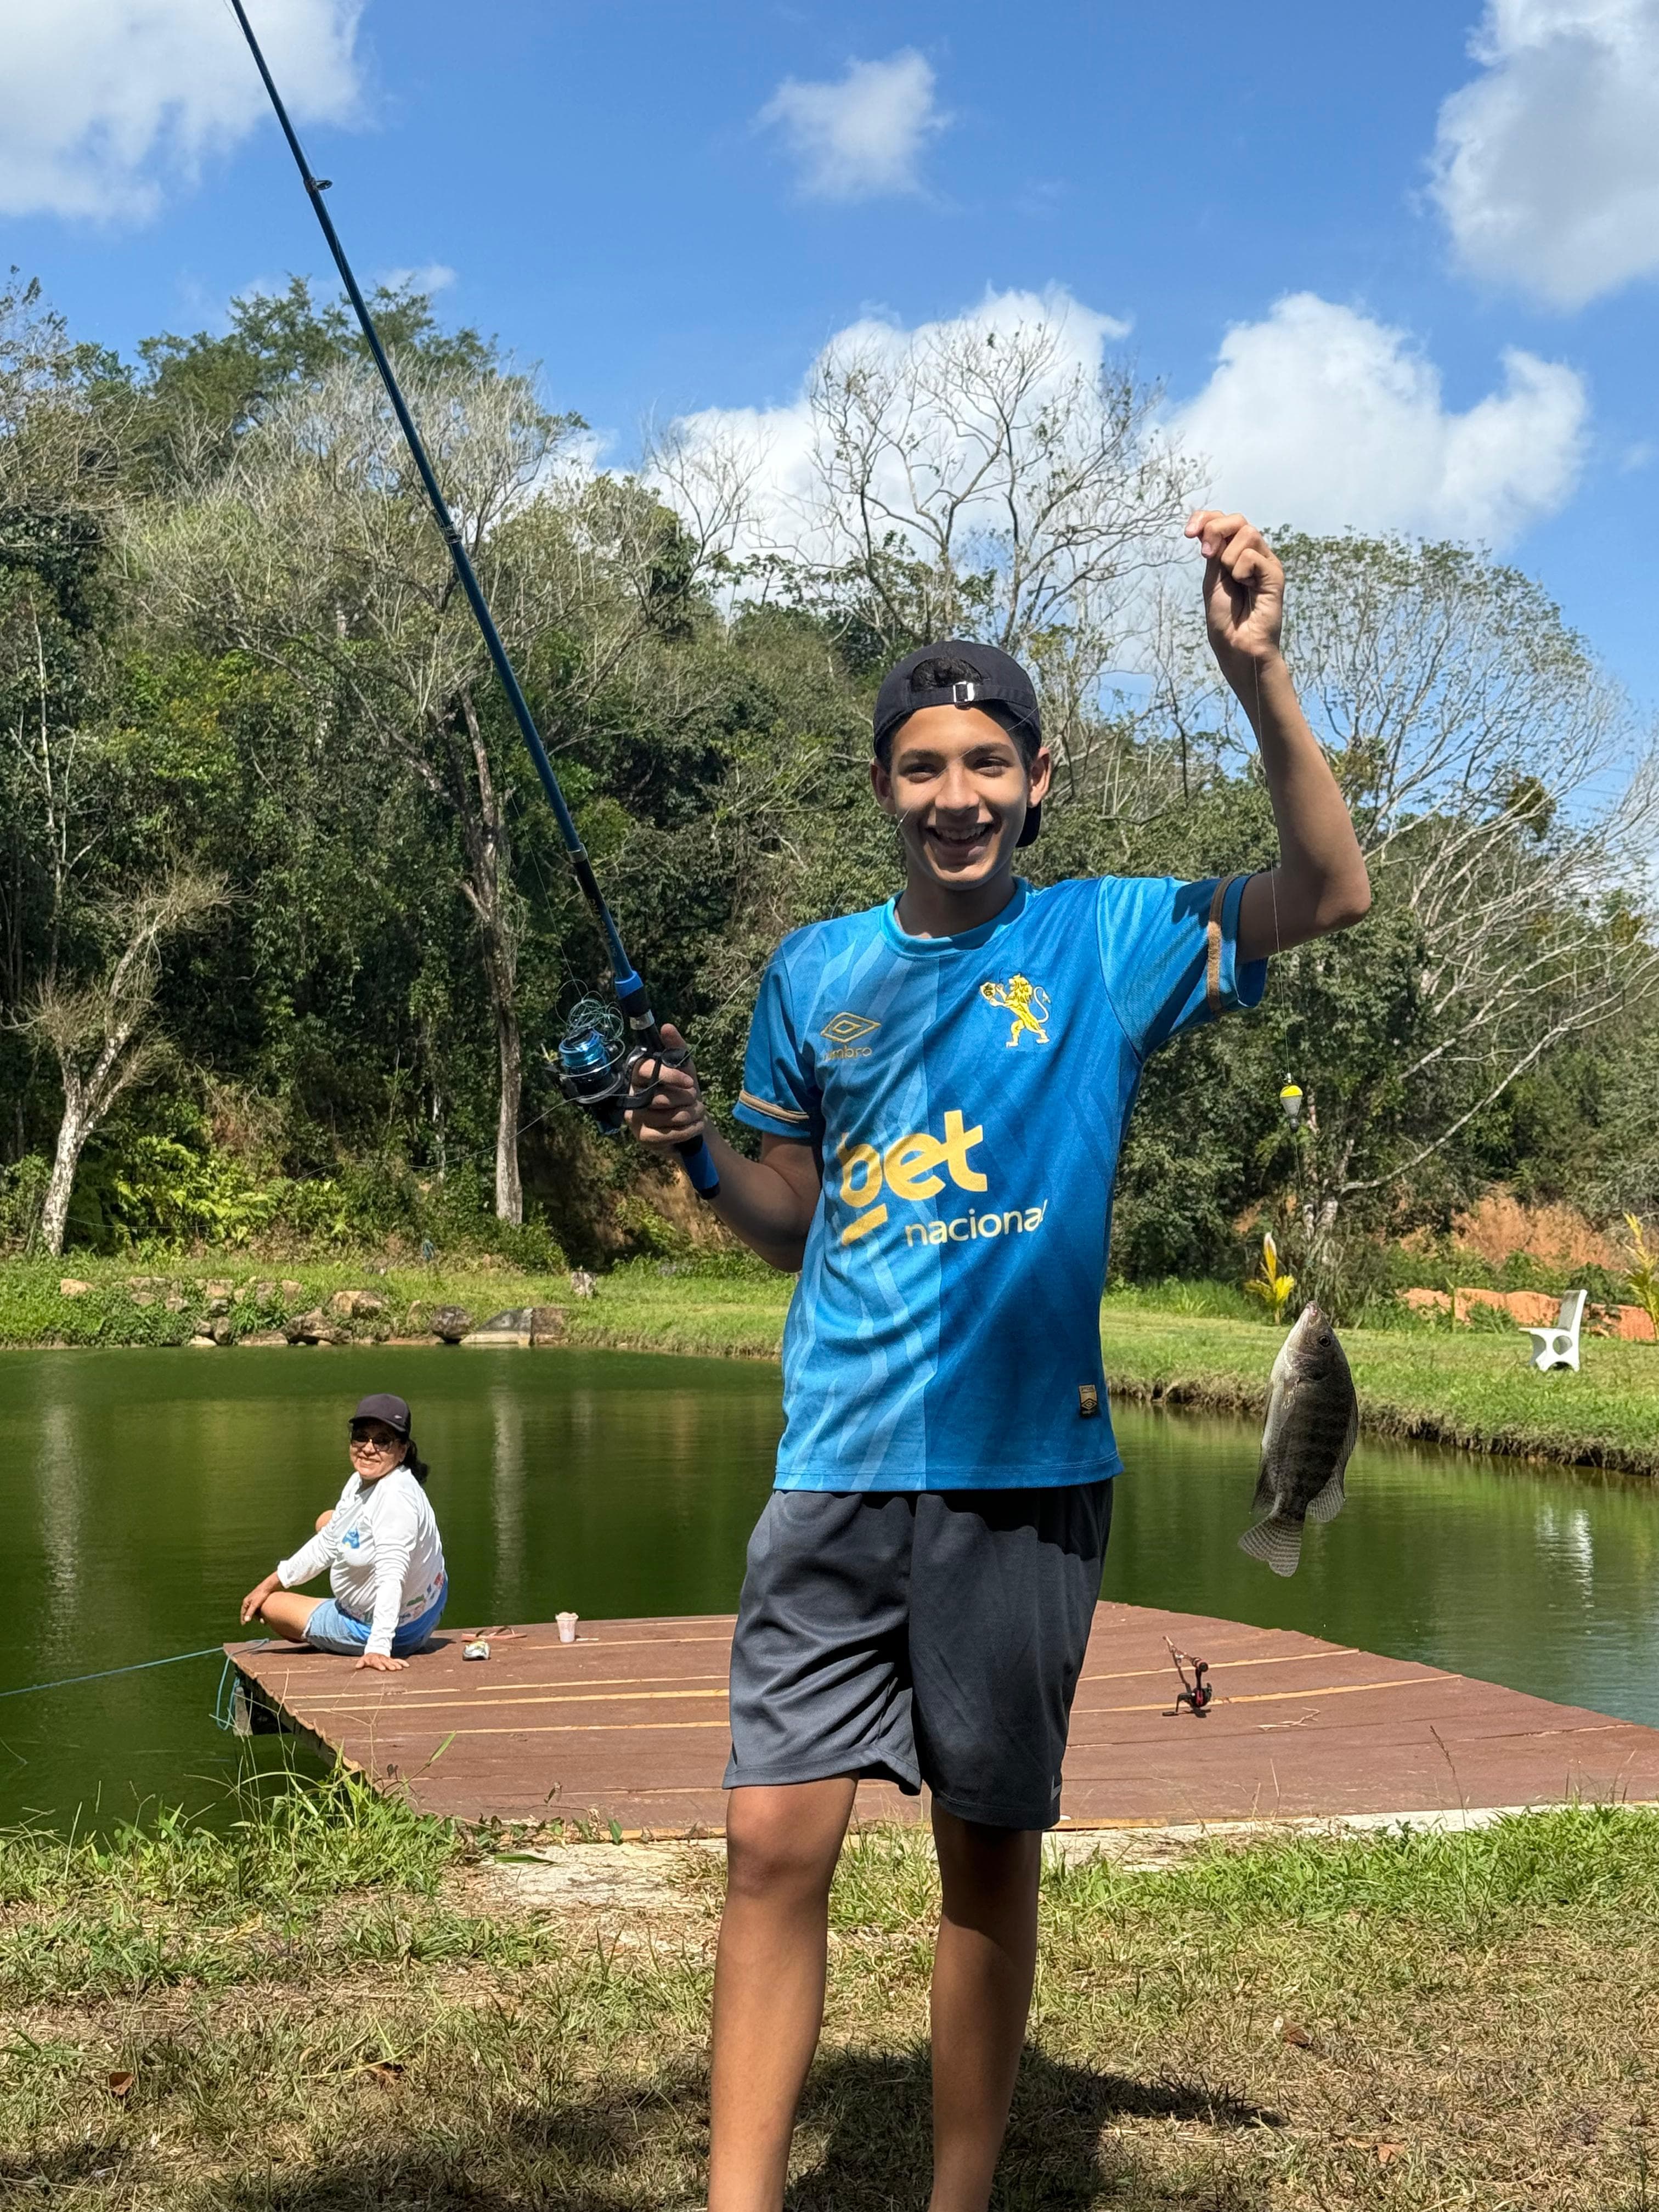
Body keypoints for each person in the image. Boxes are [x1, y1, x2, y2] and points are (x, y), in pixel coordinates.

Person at [625, 511, 1372, 2212]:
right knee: (770, 1842)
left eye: (985, 762)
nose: (953, 792)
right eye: (919, 766)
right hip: (836, 1461)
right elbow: (789, 1215)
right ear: (882, 789)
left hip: (1025, 1479)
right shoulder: (817, 971)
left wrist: (1259, 678)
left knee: (983, 1857)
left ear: (1040, 780)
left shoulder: (1109, 944)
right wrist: (692, 1152)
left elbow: (1330, 889)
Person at [239, 1392, 447, 1673]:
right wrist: (270, 1581)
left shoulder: (396, 1500)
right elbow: (327, 1543)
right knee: (326, 1522)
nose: (368, 1448)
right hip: (431, 1600)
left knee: (272, 1607)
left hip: (396, 1630)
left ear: (402, 1450)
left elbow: (391, 1576)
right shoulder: (362, 1481)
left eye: (382, 1441)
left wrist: (378, 1648)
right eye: (361, 1437)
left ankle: (339, 1636)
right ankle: (332, 1626)